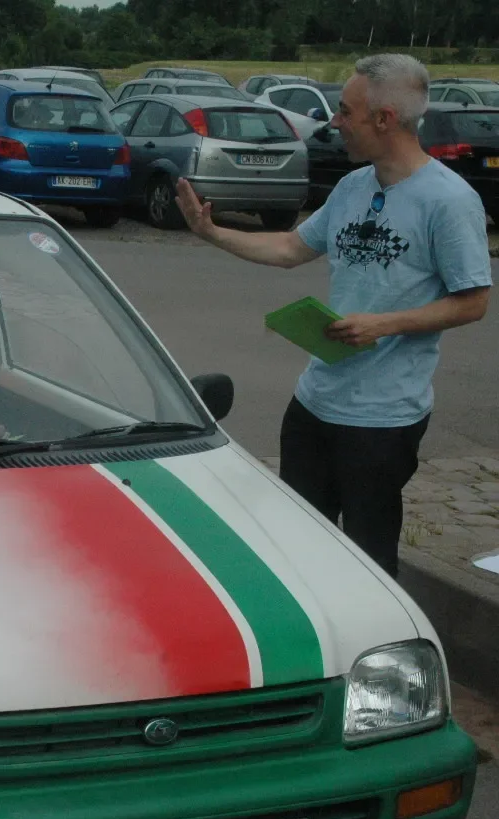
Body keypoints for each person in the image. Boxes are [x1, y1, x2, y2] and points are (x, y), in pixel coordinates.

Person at [174, 54, 491, 577]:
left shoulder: (450, 201)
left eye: (345, 112)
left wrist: (382, 324)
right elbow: (291, 248)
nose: (334, 122)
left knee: (368, 562)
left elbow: (473, 301)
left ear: (384, 119)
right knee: (298, 551)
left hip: (382, 421)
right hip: (313, 405)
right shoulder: (351, 188)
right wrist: (212, 233)